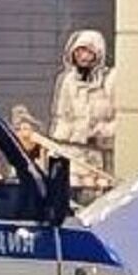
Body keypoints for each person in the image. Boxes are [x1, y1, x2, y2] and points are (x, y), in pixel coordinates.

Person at [49, 30, 116, 198]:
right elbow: (63, 118)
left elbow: (123, 119)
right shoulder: (68, 81)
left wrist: (101, 132)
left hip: (103, 156)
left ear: (98, 53)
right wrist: (56, 147)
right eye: (79, 51)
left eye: (88, 51)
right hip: (75, 154)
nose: (83, 56)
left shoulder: (111, 79)